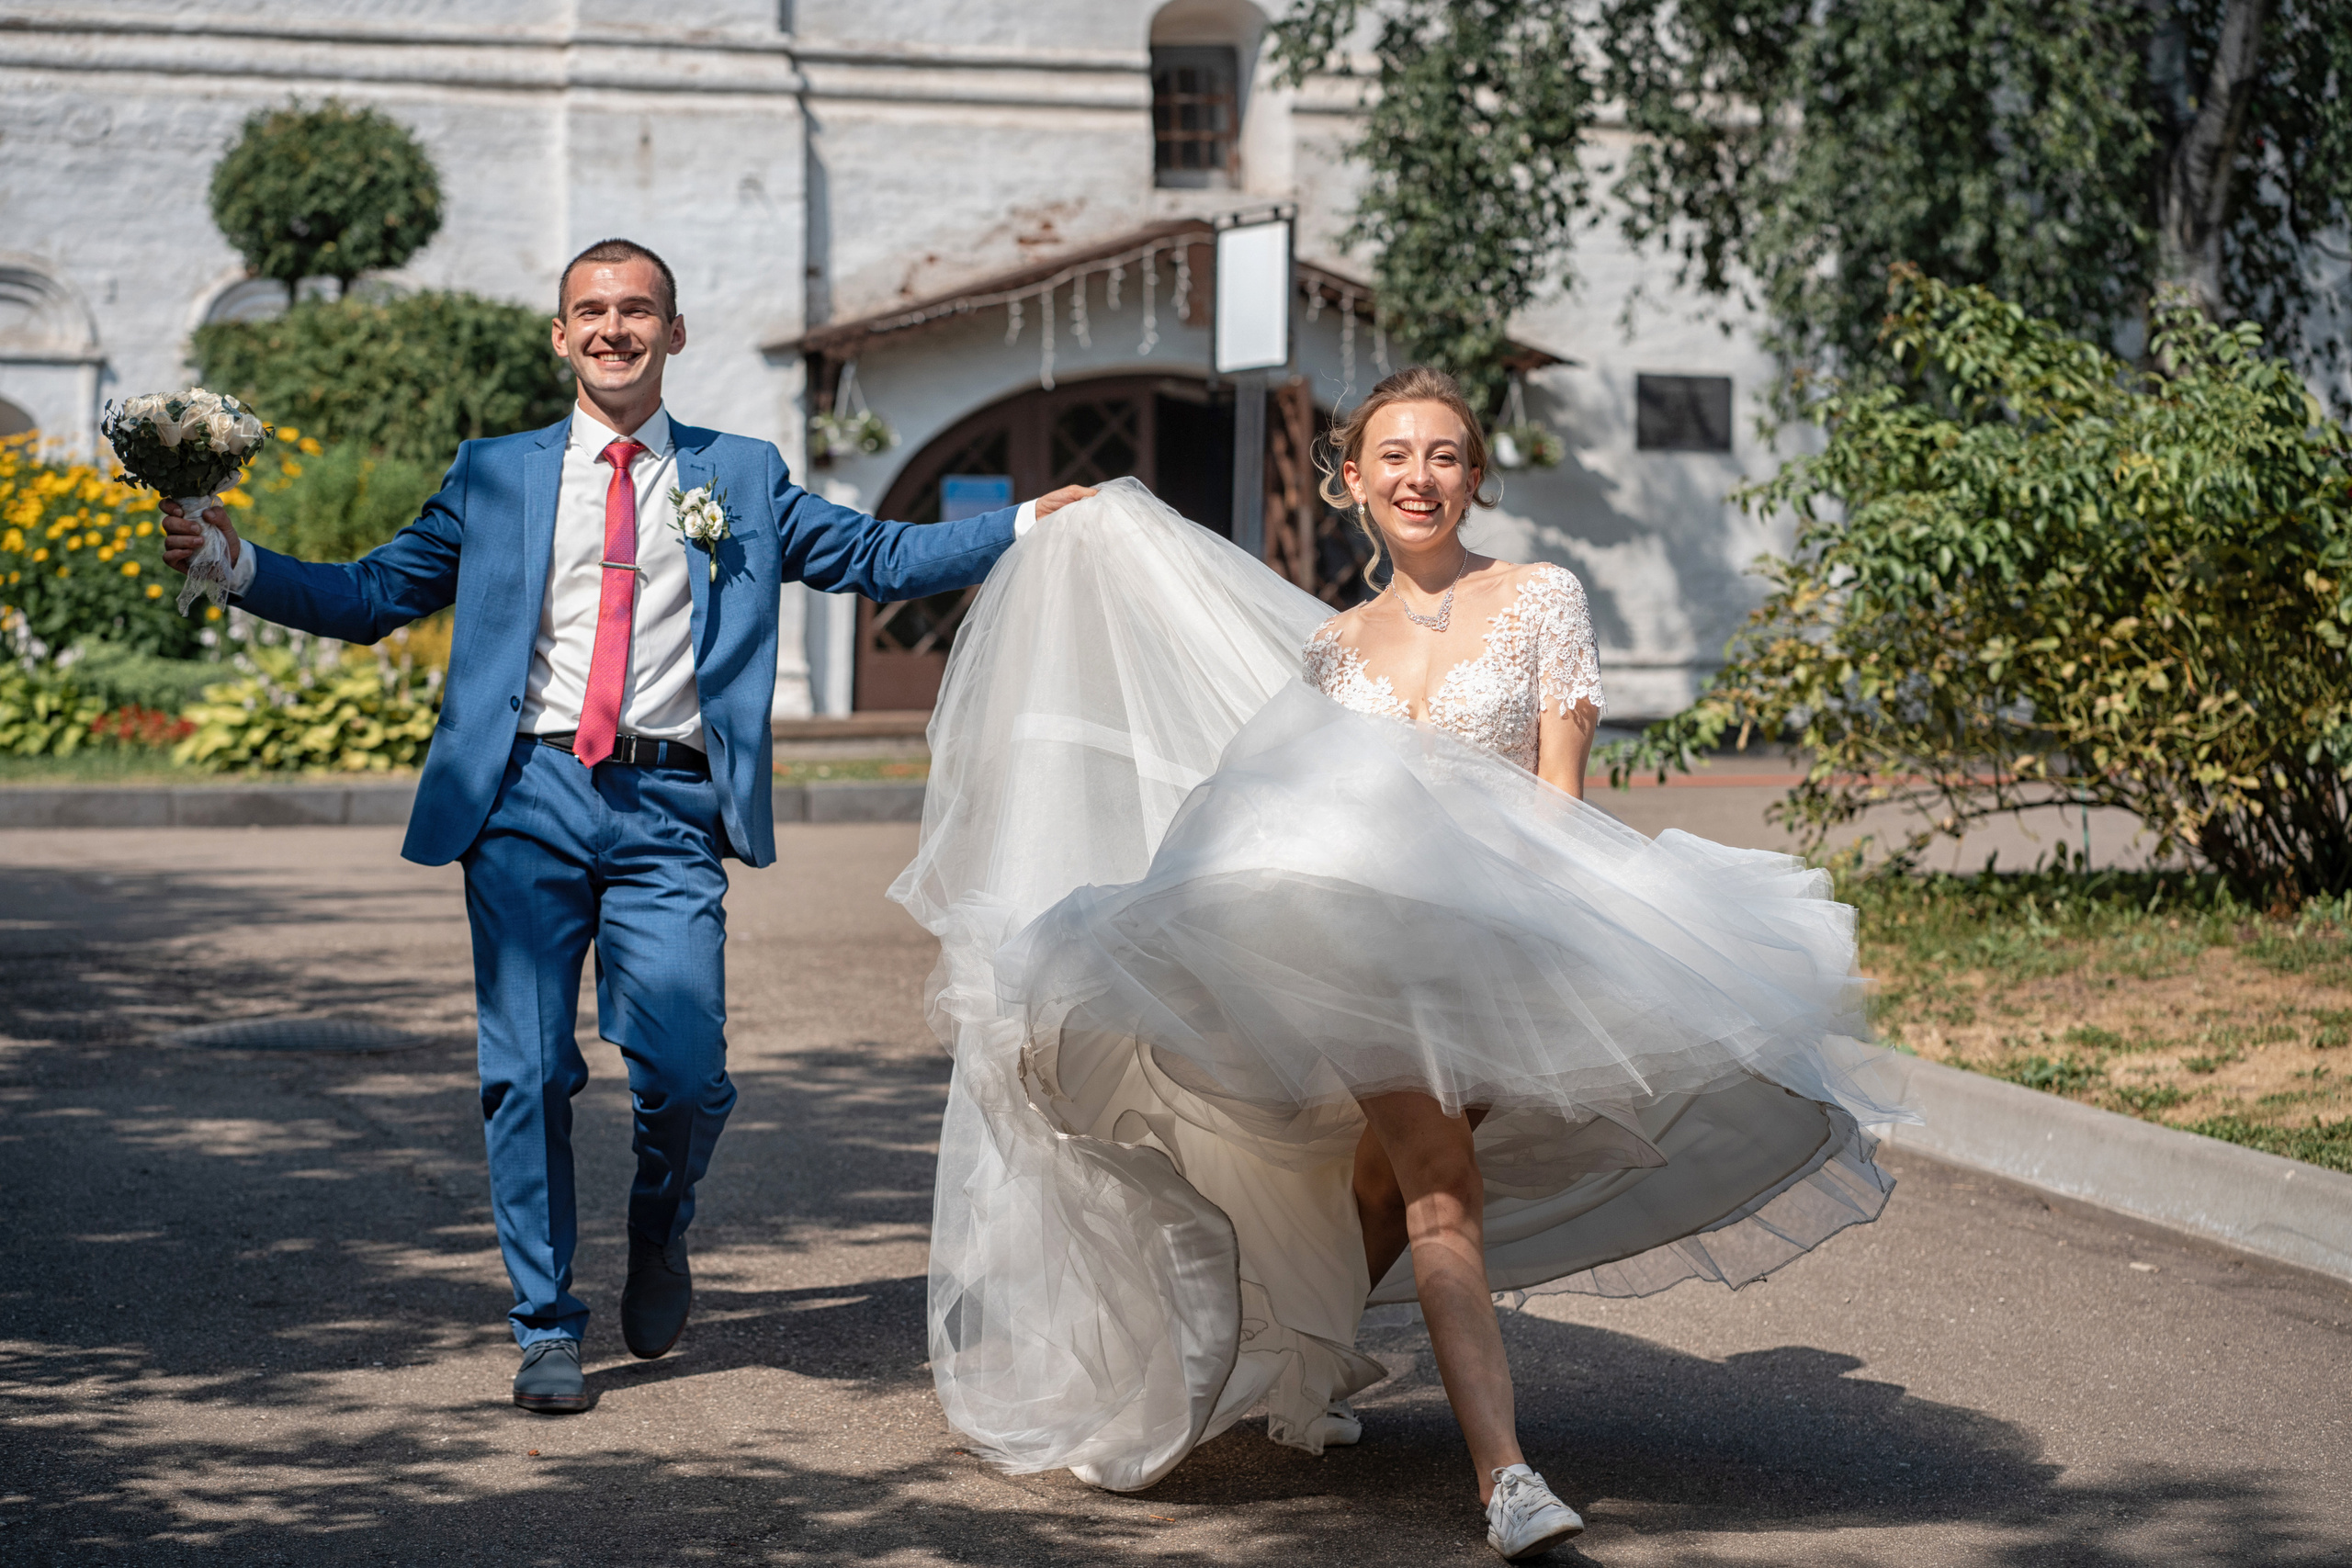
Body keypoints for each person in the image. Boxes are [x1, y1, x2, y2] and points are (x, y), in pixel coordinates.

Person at [889, 367, 1913, 1560]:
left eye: (1442, 455)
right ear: (1353, 479)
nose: (1418, 476)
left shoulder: (1540, 600)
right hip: (1367, 962)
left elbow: (1558, 799)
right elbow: (1282, 807)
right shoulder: (1334, 646)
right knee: (1441, 1184)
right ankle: (1506, 1473)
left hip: (1506, 939)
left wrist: (1558, 939)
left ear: (1473, 476)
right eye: (1393, 455)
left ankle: (1298, 1364)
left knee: (1386, 1182)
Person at [161, 237, 1095, 1416]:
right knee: (525, 1073)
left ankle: (660, 1226)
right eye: (590, 311)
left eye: (638, 309)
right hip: (523, 801)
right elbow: (370, 596)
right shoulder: (495, 476)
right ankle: (546, 1323)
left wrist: (1020, 526)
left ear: (674, 331)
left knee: (687, 1071)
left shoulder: (740, 476)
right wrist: (235, 561)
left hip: (668, 807)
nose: (614, 328)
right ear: (559, 336)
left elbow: (875, 556)